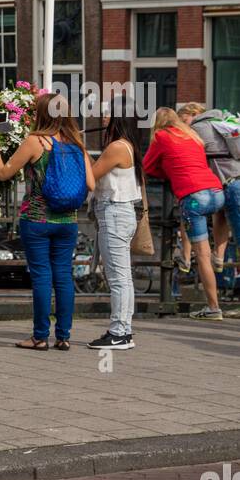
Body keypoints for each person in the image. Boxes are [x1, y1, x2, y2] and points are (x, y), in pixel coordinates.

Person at [0, 93, 95, 350]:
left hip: (36, 219)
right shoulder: (77, 144)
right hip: (68, 221)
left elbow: (4, 174)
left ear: (41, 114)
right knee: (63, 277)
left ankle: (39, 337)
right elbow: (91, 183)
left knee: (42, 277)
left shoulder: (36, 142)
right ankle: (64, 336)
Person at [143, 106, 224, 320]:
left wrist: (169, 172)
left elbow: (148, 166)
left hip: (194, 196)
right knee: (214, 247)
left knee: (203, 256)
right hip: (217, 192)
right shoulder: (192, 136)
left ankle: (213, 308)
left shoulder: (161, 136)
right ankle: (221, 257)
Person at [86, 107, 144, 350]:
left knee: (118, 279)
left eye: (109, 114)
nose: (104, 117)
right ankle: (124, 331)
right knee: (124, 278)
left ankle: (119, 332)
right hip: (122, 213)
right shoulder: (127, 145)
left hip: (114, 213)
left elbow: (91, 178)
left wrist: (80, 149)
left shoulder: (117, 147)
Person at [190, 107, 240, 274]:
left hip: (223, 184)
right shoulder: (221, 124)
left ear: (193, 115)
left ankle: (216, 258)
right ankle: (218, 257)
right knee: (221, 216)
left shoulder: (197, 128)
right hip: (232, 180)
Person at [175, 102, 206, 275]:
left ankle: (186, 258)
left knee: (186, 218)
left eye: (183, 119)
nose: (181, 123)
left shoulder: (195, 131)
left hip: (196, 187)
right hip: (213, 187)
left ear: (193, 114)